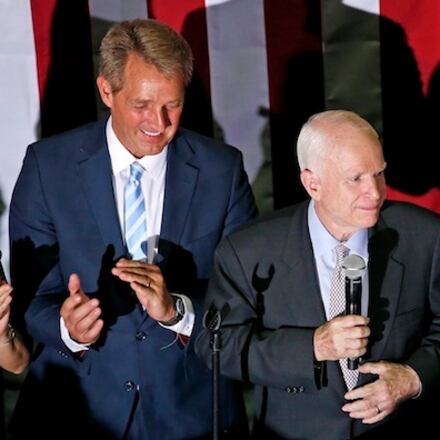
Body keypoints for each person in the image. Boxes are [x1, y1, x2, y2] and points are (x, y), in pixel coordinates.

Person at [8, 19, 256, 438]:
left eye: (172, 105)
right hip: (75, 414)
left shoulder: (222, 170)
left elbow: (245, 294)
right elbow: (32, 297)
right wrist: (68, 327)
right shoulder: (48, 167)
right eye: (142, 104)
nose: (158, 122)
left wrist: (178, 310)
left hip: (190, 416)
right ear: (107, 90)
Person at [195, 110, 440, 438]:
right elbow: (218, 346)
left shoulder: (423, 236)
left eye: (379, 173)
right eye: (355, 178)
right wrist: (312, 347)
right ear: (313, 183)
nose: (375, 192)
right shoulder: (249, 251)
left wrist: (413, 378)